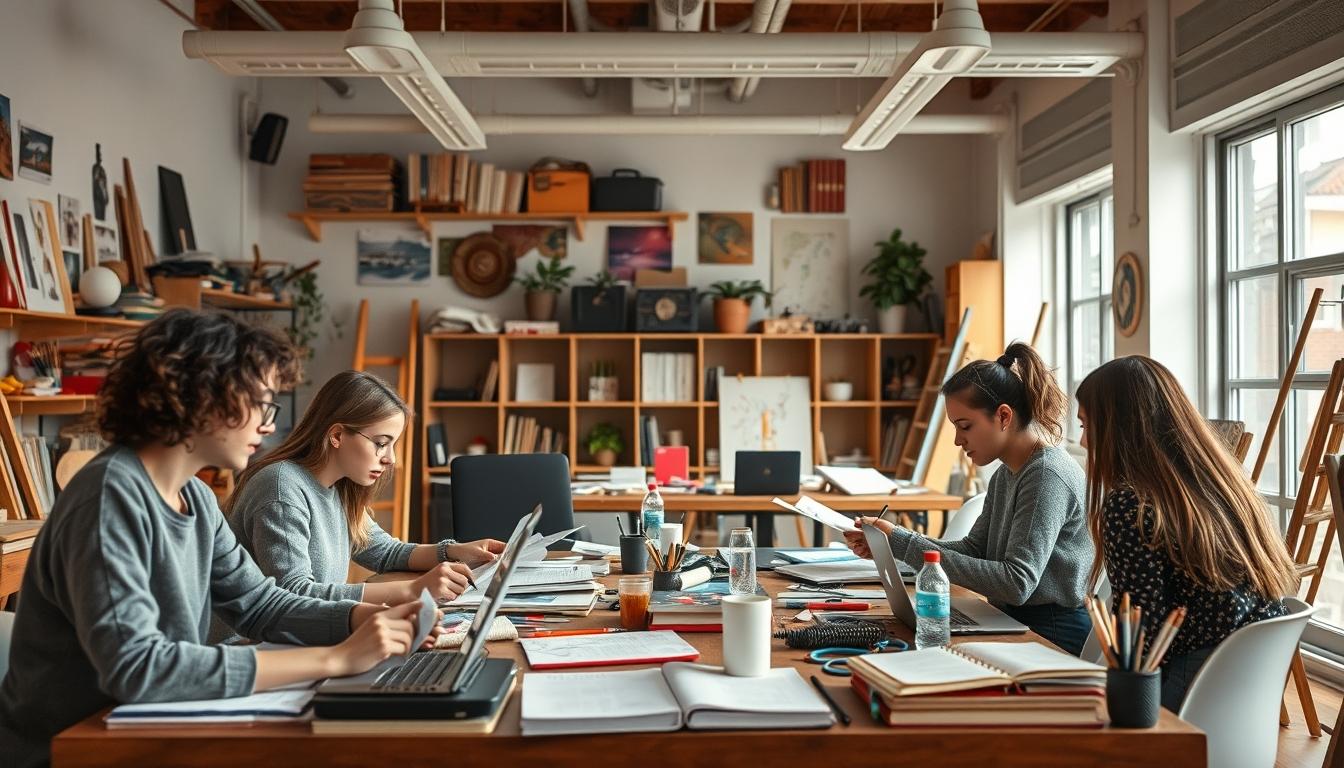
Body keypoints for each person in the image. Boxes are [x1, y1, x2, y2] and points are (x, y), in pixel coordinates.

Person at [0, 311, 437, 768]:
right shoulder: (110, 497)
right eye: (261, 405)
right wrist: (335, 660)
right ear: (205, 398)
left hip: (150, 730)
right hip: (70, 750)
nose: (269, 426)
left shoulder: (196, 497)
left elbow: (260, 605)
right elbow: (138, 668)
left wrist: (363, 618)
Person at [213, 370, 502, 643]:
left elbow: (386, 553)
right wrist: (414, 589)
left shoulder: (338, 486)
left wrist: (456, 551)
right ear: (337, 435)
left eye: (392, 445)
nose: (391, 459)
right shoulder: (281, 486)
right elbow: (294, 594)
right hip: (240, 647)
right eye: (380, 443)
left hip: (290, 640)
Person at [844, 342, 1094, 655]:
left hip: (1050, 635)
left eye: (965, 426)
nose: (957, 440)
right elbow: (975, 549)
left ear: (1003, 416)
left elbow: (1017, 583)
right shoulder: (1009, 472)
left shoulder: (1045, 475)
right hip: (1014, 620)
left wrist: (903, 542)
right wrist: (894, 544)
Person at [1076, 356, 1296, 710]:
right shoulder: (1225, 486)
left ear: (1118, 428)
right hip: (1238, 693)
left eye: (1087, 426)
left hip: (1187, 688)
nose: (1084, 442)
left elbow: (1139, 638)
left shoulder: (1130, 504)